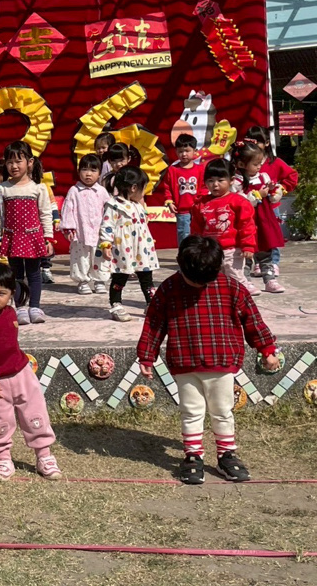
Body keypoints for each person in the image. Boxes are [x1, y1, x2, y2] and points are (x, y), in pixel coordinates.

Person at [137, 235, 280, 484]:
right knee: (191, 411)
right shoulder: (168, 288)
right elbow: (154, 323)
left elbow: (252, 320)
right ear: (181, 264)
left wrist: (266, 349)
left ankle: (227, 455)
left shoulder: (232, 287)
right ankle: (193, 456)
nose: (199, 284)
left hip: (221, 362)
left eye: (205, 280)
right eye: (193, 280)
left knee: (222, 410)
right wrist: (147, 356)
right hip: (184, 362)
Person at [0, 262, 62, 481]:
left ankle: (44, 456)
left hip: (22, 375)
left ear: (11, 294)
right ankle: (3, 459)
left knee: (35, 414)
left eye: (1, 293)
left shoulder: (10, 313)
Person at [0, 141, 53, 324]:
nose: (14, 166)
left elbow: (45, 214)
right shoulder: (2, 188)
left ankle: (35, 307)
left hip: (33, 237)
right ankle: (21, 308)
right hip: (12, 237)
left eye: (18, 161)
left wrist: (48, 238)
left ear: (30, 162)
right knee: (16, 274)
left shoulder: (38, 188)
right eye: (10, 162)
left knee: (34, 273)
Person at [97, 167, 159, 322]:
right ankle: (116, 304)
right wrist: (106, 244)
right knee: (120, 277)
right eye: (143, 188)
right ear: (134, 188)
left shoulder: (137, 205)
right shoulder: (113, 205)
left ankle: (151, 303)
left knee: (146, 276)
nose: (144, 193)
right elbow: (107, 226)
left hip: (141, 249)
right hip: (123, 249)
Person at [190, 159, 258, 296]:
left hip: (232, 251)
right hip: (210, 251)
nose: (215, 185)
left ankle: (241, 298)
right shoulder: (200, 204)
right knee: (212, 280)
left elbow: (247, 225)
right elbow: (196, 228)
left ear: (231, 180)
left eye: (220, 180)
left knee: (235, 278)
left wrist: (248, 246)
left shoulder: (239, 202)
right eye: (210, 181)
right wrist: (196, 247)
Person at [231, 140, 286, 294]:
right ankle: (246, 281)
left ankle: (270, 280)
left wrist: (274, 192)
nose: (259, 166)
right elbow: (239, 201)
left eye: (260, 162)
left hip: (264, 219)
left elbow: (272, 197)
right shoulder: (237, 181)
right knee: (247, 252)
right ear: (241, 164)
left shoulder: (263, 177)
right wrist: (256, 195)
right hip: (246, 221)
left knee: (266, 249)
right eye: (255, 164)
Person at [245, 125, 297, 276]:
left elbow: (292, 176)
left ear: (267, 143)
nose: (254, 144)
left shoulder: (274, 162)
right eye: (250, 141)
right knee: (255, 234)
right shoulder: (245, 162)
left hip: (271, 207)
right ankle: (259, 263)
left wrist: (281, 189)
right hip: (252, 206)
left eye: (258, 141)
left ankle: (273, 263)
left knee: (271, 235)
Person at [60, 154, 110, 295]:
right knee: (81, 258)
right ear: (78, 171)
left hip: (99, 233)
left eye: (93, 170)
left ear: (99, 173)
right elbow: (68, 209)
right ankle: (83, 281)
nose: (88, 174)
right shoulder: (74, 191)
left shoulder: (102, 191)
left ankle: (100, 281)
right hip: (80, 233)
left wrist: (110, 229)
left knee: (99, 258)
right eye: (85, 169)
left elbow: (108, 210)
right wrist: (68, 228)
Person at [161, 134, 205, 245]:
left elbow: (204, 187)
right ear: (176, 152)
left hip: (198, 210)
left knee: (199, 235)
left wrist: (202, 202)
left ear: (195, 151)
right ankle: (184, 253)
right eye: (180, 151)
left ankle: (198, 253)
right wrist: (169, 201)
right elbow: (167, 187)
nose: (184, 154)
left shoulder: (200, 169)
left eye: (187, 151)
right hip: (182, 211)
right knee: (184, 235)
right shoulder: (173, 170)